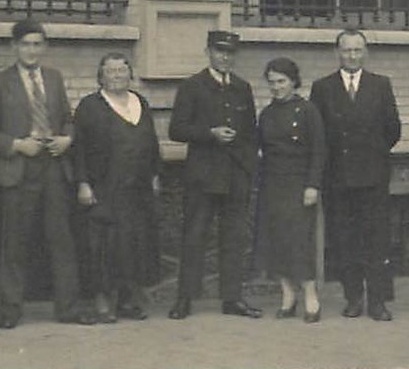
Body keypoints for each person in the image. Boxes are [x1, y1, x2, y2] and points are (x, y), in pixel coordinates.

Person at [0, 19, 92, 327]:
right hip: (18, 169)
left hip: (53, 168)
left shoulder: (53, 78)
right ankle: (10, 311)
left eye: (37, 44)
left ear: (45, 47)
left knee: (62, 240)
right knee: (14, 243)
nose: (31, 50)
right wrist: (16, 144)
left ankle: (68, 308)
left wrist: (66, 138)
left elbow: (68, 119)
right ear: (13, 47)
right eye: (25, 44)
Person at [166, 29, 261, 320]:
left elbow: (250, 133)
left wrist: (247, 169)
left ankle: (232, 298)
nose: (225, 57)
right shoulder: (192, 86)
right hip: (203, 176)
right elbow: (177, 130)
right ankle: (185, 298)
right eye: (219, 51)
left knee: (234, 238)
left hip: (235, 176)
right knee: (194, 236)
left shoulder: (242, 88)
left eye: (230, 53)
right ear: (208, 52)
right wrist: (210, 134)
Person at [308, 27, 401, 321]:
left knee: (375, 240)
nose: (352, 56)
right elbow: (318, 134)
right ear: (337, 52)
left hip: (372, 176)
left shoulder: (380, 85)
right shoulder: (322, 88)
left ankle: (377, 301)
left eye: (357, 50)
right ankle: (353, 298)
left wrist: (370, 154)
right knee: (344, 239)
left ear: (366, 52)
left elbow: (392, 129)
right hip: (337, 178)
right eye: (346, 50)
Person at [72, 52, 161, 323]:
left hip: (137, 190)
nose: (117, 76)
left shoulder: (140, 102)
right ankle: (102, 302)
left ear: (130, 74)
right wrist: (83, 183)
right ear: (101, 76)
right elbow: (79, 150)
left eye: (122, 70)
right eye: (111, 71)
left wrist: (155, 174)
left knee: (132, 245)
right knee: (103, 247)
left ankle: (126, 301)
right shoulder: (90, 106)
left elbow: (151, 143)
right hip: (104, 188)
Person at [256, 57, 326, 324]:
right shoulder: (267, 114)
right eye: (271, 82)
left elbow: (319, 150)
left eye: (281, 81)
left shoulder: (308, 111)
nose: (276, 87)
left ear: (294, 82)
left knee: (299, 240)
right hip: (273, 184)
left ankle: (310, 294)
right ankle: (288, 295)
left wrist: (312, 185)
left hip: (299, 184)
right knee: (276, 240)